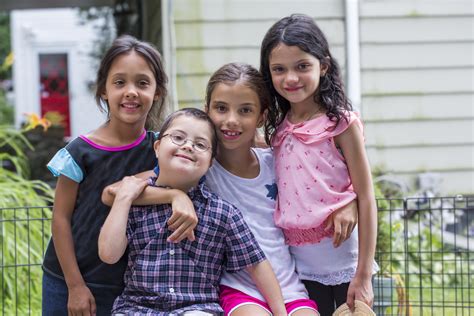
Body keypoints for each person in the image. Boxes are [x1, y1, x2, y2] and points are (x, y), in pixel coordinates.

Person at [98, 108, 287, 316]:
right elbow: (109, 254)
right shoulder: (136, 201)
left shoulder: (223, 213)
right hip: (137, 308)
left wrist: (280, 313)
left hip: (196, 308)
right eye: (178, 137)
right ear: (158, 147)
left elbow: (257, 264)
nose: (188, 146)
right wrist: (125, 198)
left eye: (200, 144)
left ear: (211, 161)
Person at [259, 14, 378, 316]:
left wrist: (363, 276)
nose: (290, 78)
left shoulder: (341, 124)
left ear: (323, 66)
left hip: (344, 264)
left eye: (302, 66)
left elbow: (366, 196)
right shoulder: (278, 130)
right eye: (279, 69)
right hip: (299, 269)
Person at [42, 35, 169, 315]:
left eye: (143, 83)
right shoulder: (80, 151)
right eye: (120, 82)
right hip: (67, 280)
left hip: (128, 286)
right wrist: (75, 285)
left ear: (157, 91)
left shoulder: (162, 148)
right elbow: (60, 219)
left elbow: (203, 156)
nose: (131, 92)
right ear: (103, 90)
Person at [203, 63, 319, 316]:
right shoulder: (202, 169)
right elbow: (149, 182)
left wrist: (348, 204)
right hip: (239, 289)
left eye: (245, 110)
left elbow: (325, 182)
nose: (231, 120)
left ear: (261, 117)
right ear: (207, 110)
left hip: (290, 288)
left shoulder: (277, 162)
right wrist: (173, 196)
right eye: (221, 108)